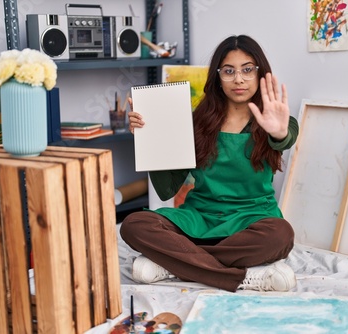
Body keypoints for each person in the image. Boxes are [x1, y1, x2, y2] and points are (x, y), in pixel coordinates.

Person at [120, 35, 299, 292]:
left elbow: (287, 135)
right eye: (229, 71)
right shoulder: (196, 122)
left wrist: (279, 132)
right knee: (134, 225)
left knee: (281, 235)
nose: (238, 79)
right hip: (200, 217)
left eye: (247, 70)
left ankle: (174, 264)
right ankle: (238, 276)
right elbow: (167, 189)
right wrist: (150, 141)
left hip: (252, 219)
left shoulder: (275, 120)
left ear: (260, 73)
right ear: (218, 77)